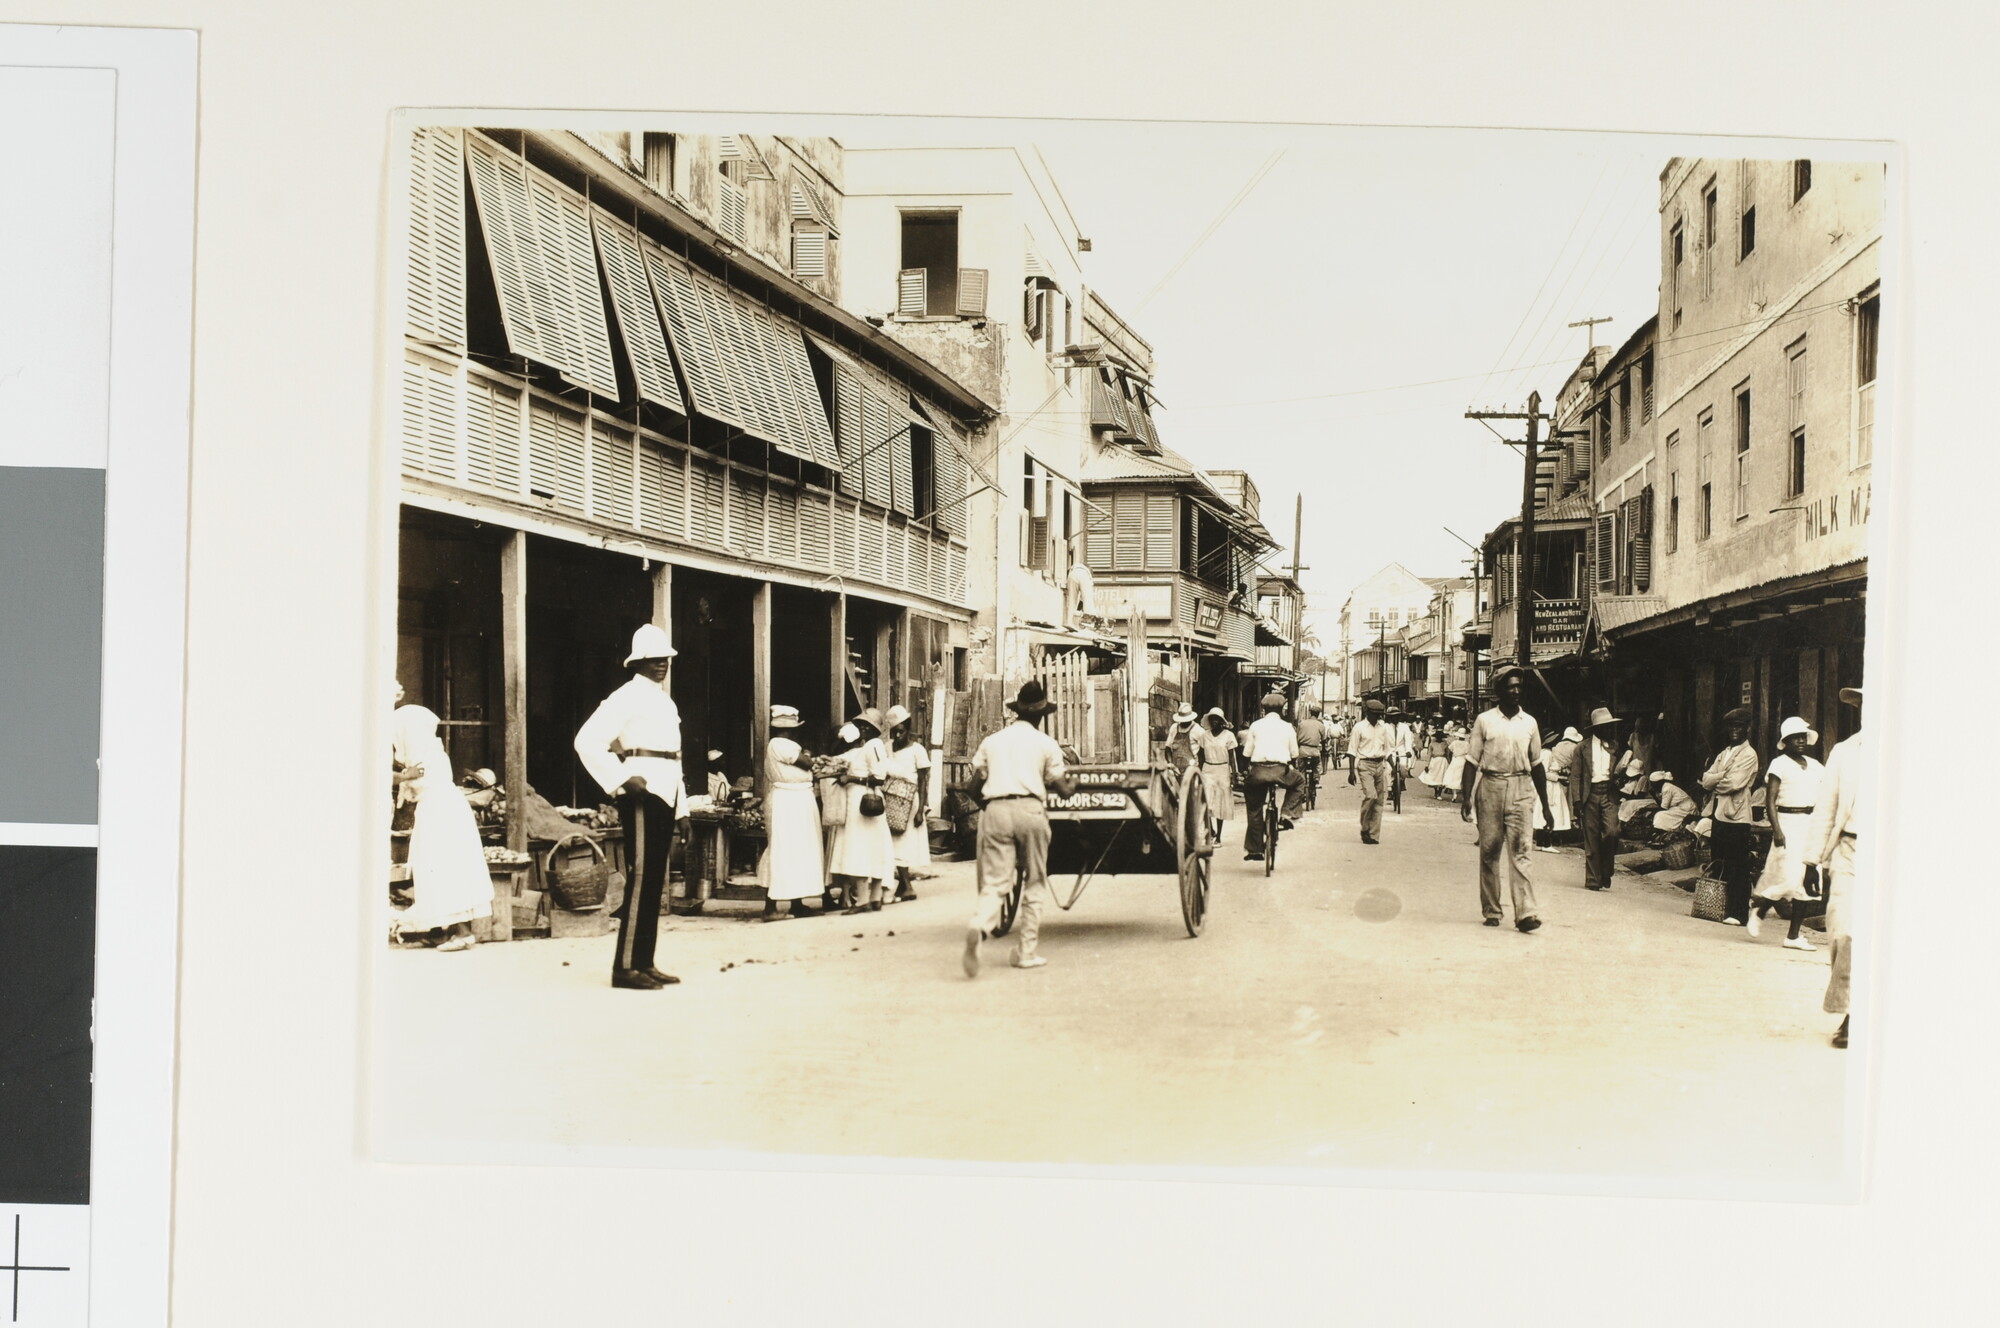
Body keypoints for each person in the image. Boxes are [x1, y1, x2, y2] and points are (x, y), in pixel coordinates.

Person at [573, 624, 688, 989]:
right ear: (637, 661)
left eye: (665, 659)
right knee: (640, 879)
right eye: (653, 659)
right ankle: (624, 968)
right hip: (642, 791)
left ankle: (644, 961)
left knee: (655, 879)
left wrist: (682, 809)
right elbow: (587, 741)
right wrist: (622, 779)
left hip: (666, 790)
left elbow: (674, 758)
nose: (661, 665)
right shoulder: (625, 697)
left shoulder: (665, 701)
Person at [963, 680, 1077, 976]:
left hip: (997, 809)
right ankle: (1026, 952)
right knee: (1035, 880)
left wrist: (991, 807)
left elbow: (973, 786)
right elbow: (1062, 789)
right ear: (1042, 714)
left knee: (997, 881)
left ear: (1016, 711)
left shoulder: (993, 741)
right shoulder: (1046, 744)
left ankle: (979, 925)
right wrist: (1073, 784)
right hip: (1030, 810)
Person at [389, 686, 493, 951]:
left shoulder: (424, 756)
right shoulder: (430, 750)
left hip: (440, 812)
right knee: (431, 870)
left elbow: (412, 783)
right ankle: (438, 928)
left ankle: (462, 931)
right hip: (440, 810)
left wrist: (403, 777)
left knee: (446, 868)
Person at [1461, 666, 1554, 932]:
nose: (1516, 691)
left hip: (1522, 787)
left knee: (1522, 851)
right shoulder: (1485, 720)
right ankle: (1492, 909)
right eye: (1510, 687)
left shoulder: (1530, 723)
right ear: (1499, 690)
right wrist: (1466, 797)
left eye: (1518, 687)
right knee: (1489, 850)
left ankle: (1526, 913)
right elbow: (1471, 761)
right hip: (1490, 786)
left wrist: (1546, 806)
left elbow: (1537, 764)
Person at [1802, 688, 1864, 1049]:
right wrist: (1812, 861)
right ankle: (1851, 1013)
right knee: (1844, 930)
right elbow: (1826, 807)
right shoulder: (1845, 752)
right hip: (1850, 850)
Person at [1748, 717, 1827, 950]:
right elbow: (1770, 801)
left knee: (1808, 882)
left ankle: (1793, 936)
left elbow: (1826, 795)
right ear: (1786, 741)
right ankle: (1759, 909)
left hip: (1810, 824)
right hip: (1788, 822)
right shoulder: (1779, 764)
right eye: (1795, 738)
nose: (1801, 741)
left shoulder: (1815, 766)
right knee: (1790, 876)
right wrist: (1777, 830)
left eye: (1803, 737)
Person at [756, 705, 821, 922]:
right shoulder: (779, 743)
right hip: (787, 799)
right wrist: (809, 757)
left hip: (798, 797)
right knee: (782, 849)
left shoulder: (786, 745)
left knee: (799, 850)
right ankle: (770, 908)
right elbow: (806, 762)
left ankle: (797, 903)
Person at [827, 708, 895, 914]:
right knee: (872, 848)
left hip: (862, 801)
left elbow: (879, 777)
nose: (863, 729)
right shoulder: (868, 747)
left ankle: (863, 900)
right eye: (862, 725)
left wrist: (851, 779)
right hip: (859, 800)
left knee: (859, 848)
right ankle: (874, 898)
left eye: (868, 726)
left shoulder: (873, 745)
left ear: (875, 730)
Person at [1700, 706, 1763, 926]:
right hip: (1719, 814)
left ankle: (1738, 913)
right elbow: (1706, 780)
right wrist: (1720, 777)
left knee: (1738, 865)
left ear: (1747, 728)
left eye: (1739, 726)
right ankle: (1720, 907)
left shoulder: (1749, 754)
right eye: (1731, 727)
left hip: (1737, 816)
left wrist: (1716, 779)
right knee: (1720, 860)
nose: (1734, 730)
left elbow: (1734, 783)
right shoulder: (1724, 753)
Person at [1241, 693, 1301, 861]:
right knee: (1299, 781)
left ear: (1263, 709)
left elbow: (1247, 753)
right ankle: (1286, 814)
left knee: (1254, 808)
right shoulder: (1287, 727)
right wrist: (1291, 764)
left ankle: (1255, 850)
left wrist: (1248, 770)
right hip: (1280, 770)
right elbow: (1294, 753)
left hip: (1258, 771)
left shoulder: (1255, 725)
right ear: (1282, 709)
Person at [882, 704, 932, 902]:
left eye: (901, 731)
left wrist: (921, 809)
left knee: (904, 841)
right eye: (894, 732)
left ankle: (907, 886)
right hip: (891, 797)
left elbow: (923, 781)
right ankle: (904, 886)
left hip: (910, 801)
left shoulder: (917, 750)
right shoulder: (886, 747)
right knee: (894, 840)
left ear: (907, 729)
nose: (897, 736)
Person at [1347, 699, 1396, 844]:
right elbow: (1352, 750)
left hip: (1379, 764)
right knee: (1371, 795)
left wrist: (1393, 768)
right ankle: (1365, 827)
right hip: (1365, 764)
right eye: (1374, 714)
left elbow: (1388, 750)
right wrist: (1351, 772)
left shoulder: (1384, 728)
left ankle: (1373, 835)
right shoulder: (1359, 727)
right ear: (1367, 713)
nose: (1377, 718)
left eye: (1379, 715)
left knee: (1379, 801)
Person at [1194, 707, 1238, 843]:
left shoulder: (1228, 735)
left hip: (1223, 769)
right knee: (1206, 802)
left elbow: (1232, 757)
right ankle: (1211, 830)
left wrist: (1235, 773)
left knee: (1220, 804)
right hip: (1208, 769)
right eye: (1212, 719)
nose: (1214, 722)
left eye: (1217, 719)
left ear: (1221, 721)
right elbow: (1200, 755)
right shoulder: (1204, 735)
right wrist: (1199, 772)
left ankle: (1218, 836)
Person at [1286, 703, 1328, 816]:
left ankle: (1302, 784)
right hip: (1314, 750)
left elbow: (1296, 738)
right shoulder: (1320, 725)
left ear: (1310, 713)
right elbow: (1324, 739)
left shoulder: (1302, 723)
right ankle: (1316, 777)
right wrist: (1323, 749)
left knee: (1301, 769)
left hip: (1303, 750)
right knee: (1317, 765)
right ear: (1318, 714)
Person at [1650, 770, 1698, 836]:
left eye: (1653, 783)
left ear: (1659, 782)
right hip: (1680, 808)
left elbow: (1663, 808)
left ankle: (1661, 831)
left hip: (1686, 809)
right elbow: (1662, 805)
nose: (1652, 786)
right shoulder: (1665, 787)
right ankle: (1661, 831)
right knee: (1660, 814)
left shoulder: (1667, 788)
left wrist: (1650, 810)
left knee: (1660, 815)